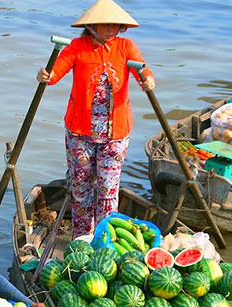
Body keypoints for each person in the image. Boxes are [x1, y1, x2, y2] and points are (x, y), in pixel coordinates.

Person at [35, 0, 156, 238]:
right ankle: (82, 237)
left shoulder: (126, 47)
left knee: (109, 191)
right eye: (105, 25)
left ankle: (103, 239)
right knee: (81, 190)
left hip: (115, 135)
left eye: (115, 25)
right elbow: (55, 72)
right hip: (80, 134)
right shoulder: (77, 47)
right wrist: (44, 75)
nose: (111, 29)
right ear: (92, 26)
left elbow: (144, 71)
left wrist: (148, 80)